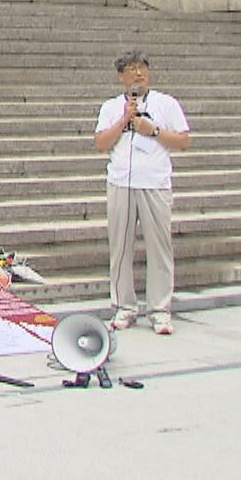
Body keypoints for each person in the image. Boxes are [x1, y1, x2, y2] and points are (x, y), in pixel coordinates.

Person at [92, 50, 190, 335]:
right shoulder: (111, 107)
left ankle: (160, 309)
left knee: (159, 247)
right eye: (132, 69)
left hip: (155, 182)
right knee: (120, 247)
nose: (138, 74)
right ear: (121, 76)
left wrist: (153, 130)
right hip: (121, 181)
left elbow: (183, 141)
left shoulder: (166, 104)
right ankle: (124, 306)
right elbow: (101, 143)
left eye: (142, 68)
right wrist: (124, 121)